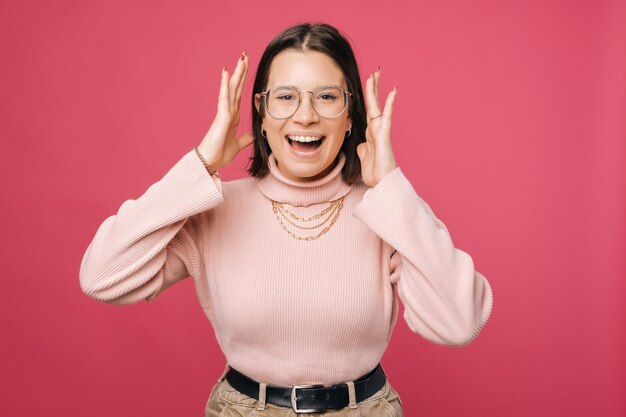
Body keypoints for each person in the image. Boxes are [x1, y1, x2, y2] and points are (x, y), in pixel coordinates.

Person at [80, 22, 493, 416]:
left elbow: (460, 322)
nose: (305, 115)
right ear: (260, 112)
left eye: (327, 96)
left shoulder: (385, 212)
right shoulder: (215, 208)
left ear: (351, 116)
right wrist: (201, 163)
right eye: (285, 96)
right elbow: (102, 276)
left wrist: (391, 187)